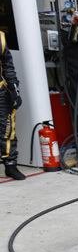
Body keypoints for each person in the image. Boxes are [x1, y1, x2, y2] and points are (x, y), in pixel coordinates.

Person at [1, 30, 25, 180]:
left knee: (7, 129)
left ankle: (10, 165)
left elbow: (8, 66)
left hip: (0, 90)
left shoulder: (1, 37)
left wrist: (14, 88)